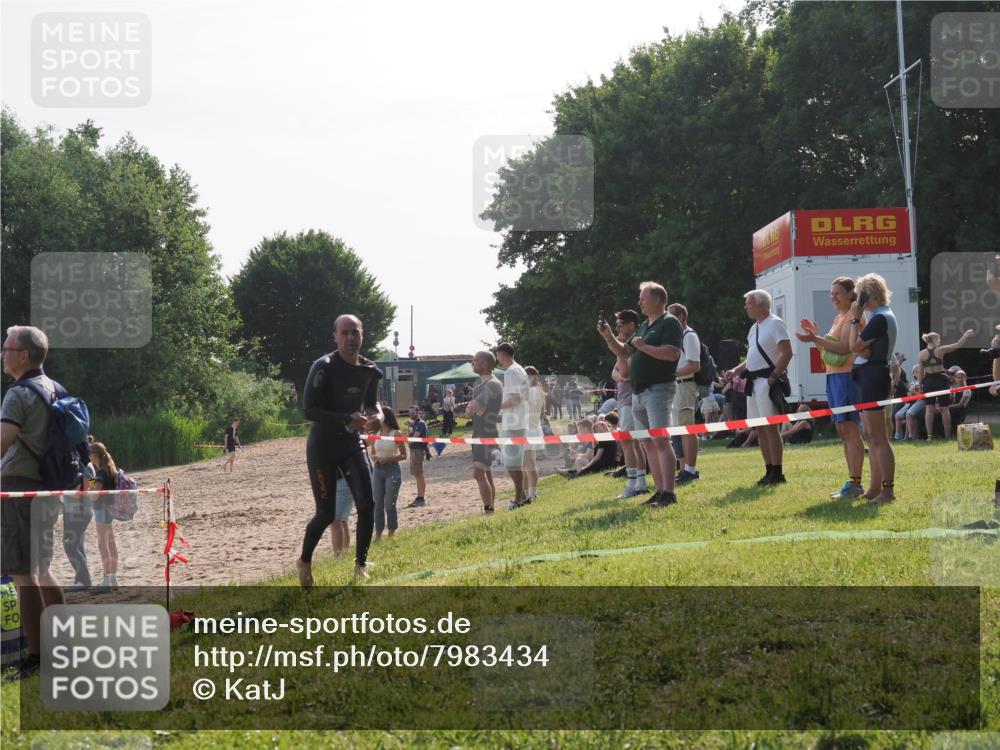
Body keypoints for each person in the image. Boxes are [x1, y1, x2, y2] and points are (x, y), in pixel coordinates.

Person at [297, 314, 383, 586]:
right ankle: (305, 561)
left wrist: (378, 416)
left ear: (362, 334)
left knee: (367, 505)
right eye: (344, 333)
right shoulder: (324, 366)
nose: (349, 338)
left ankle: (360, 566)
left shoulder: (370, 370)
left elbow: (372, 404)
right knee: (326, 514)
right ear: (335, 336)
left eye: (354, 332)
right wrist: (346, 418)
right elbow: (309, 410)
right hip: (322, 447)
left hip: (351, 445)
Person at [1, 325, 66, 679]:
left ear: (22, 355)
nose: (2, 354)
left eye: (6, 347)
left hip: (18, 485)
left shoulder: (17, 394)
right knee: (41, 568)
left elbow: (2, 442)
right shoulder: (54, 388)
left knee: (22, 573)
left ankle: (38, 657)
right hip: (48, 486)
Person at [598, 281, 683, 507]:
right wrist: (608, 337)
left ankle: (669, 493)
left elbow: (672, 354)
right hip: (639, 392)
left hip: (658, 389)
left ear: (657, 300)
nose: (639, 303)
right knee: (647, 442)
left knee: (661, 441)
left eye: (643, 298)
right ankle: (659, 490)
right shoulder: (645, 326)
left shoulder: (670, 323)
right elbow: (624, 351)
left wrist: (644, 347)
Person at [796, 276, 866, 499]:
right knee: (842, 429)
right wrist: (816, 339)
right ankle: (852, 482)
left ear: (850, 294)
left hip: (847, 377)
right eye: (831, 293)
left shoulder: (854, 316)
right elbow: (829, 353)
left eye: (837, 293)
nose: (832, 297)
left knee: (849, 428)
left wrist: (816, 338)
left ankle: (856, 483)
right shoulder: (839, 318)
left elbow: (845, 348)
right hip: (834, 377)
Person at [726, 289, 793, 486]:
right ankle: (769, 470)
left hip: (766, 381)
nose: (746, 306)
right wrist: (736, 370)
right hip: (753, 383)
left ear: (762, 304)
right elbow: (752, 357)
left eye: (749, 303)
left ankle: (778, 472)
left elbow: (786, 353)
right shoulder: (754, 328)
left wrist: (773, 377)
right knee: (760, 429)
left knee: (771, 428)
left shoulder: (775, 323)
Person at [848, 273, 897, 502]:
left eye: (859, 295)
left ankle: (887, 490)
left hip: (874, 376)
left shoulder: (879, 318)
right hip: (870, 376)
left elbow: (854, 345)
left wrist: (856, 318)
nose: (857, 300)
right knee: (871, 436)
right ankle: (875, 488)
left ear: (868, 295)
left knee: (878, 437)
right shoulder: (881, 316)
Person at [601, 309, 648, 498]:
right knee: (633, 443)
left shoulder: (635, 344)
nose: (617, 329)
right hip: (624, 398)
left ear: (631, 325)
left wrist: (618, 350)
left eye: (620, 325)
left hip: (631, 398)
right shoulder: (625, 346)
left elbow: (624, 373)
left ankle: (633, 484)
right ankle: (640, 483)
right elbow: (615, 374)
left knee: (628, 442)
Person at [667, 303, 702, 484]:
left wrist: (672, 373)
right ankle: (683, 469)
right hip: (676, 386)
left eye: (671, 316)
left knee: (688, 429)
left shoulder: (689, 336)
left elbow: (694, 365)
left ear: (680, 316)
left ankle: (691, 469)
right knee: (677, 430)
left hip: (685, 385)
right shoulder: (678, 337)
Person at [916, 329, 973, 441]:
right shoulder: (940, 350)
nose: (940, 342)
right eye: (939, 340)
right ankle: (947, 436)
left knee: (929, 409)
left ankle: (929, 437)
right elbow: (957, 345)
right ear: (935, 340)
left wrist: (920, 384)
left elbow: (920, 372)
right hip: (941, 380)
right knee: (945, 409)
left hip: (928, 382)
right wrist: (965, 335)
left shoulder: (921, 354)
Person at [466, 351, 504, 514]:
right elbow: (472, 411)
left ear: (485, 364)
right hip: (479, 433)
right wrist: (472, 409)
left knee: (478, 473)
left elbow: (473, 409)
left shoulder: (492, 384)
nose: (472, 363)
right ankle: (491, 508)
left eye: (475, 360)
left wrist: (472, 408)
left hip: (486, 434)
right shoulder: (481, 385)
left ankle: (488, 510)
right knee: (486, 474)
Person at [494, 343, 531, 510]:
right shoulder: (518, 369)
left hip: (514, 423)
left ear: (502, 354)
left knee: (512, 463)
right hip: (517, 421)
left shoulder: (511, 371)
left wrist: (495, 406)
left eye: (497, 355)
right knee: (514, 462)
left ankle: (519, 498)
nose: (497, 359)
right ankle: (521, 496)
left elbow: (514, 399)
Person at [87, 442, 123, 591]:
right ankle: (113, 579)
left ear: (95, 455)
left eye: (90, 454)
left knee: (103, 545)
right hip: (109, 509)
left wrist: (89, 485)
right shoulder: (110, 469)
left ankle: (106, 579)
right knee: (111, 543)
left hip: (101, 509)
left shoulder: (101, 472)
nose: (89, 457)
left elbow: (95, 496)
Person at [369, 405, 406, 541]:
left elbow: (403, 455)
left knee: (390, 503)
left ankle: (391, 534)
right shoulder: (376, 434)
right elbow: (372, 452)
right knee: (377, 503)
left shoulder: (396, 433)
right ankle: (378, 535)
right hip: (378, 470)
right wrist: (374, 458)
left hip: (392, 469)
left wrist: (389, 458)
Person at [523, 366, 546, 502]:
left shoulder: (533, 391)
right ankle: (528, 494)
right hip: (530, 428)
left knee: (529, 464)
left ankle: (531, 494)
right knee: (526, 465)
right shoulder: (535, 390)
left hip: (529, 430)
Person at [404, 406, 429, 507]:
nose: (411, 414)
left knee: (419, 475)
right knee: (417, 475)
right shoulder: (413, 424)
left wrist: (405, 438)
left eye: (413, 412)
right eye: (410, 412)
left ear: (418, 412)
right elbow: (410, 437)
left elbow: (414, 438)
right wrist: (408, 434)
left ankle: (421, 498)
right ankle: (419, 497)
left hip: (418, 451)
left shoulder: (420, 423)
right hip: (413, 450)